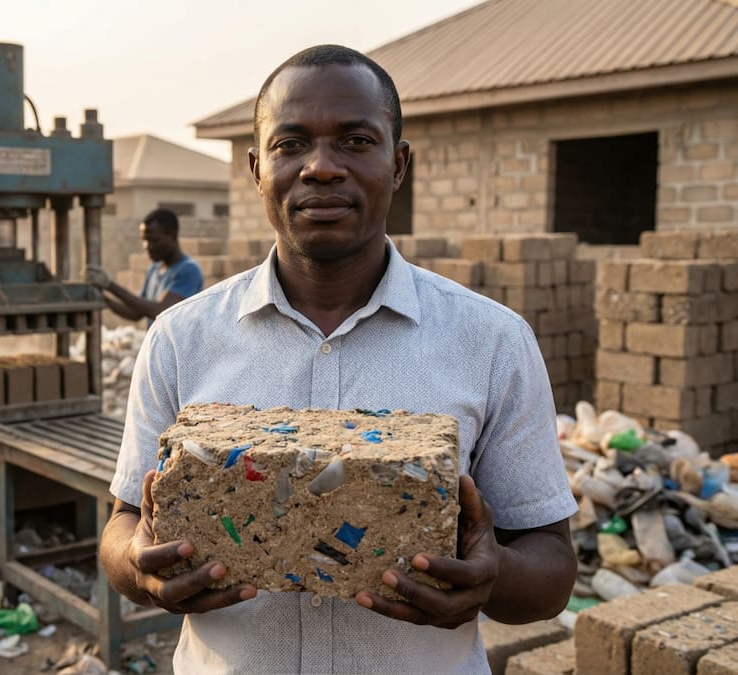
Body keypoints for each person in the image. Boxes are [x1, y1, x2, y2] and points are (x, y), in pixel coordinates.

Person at [99, 45, 577, 673]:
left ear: (399, 164)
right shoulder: (180, 337)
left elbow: (551, 564)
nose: (321, 168)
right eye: (290, 144)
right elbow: (125, 520)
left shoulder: (490, 340)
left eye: (355, 141)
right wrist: (137, 567)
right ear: (256, 167)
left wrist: (496, 577)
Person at [85, 208, 204, 323]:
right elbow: (136, 313)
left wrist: (109, 285)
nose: (147, 246)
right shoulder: (154, 269)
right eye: (144, 240)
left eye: (154, 240)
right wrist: (105, 300)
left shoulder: (189, 270)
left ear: (172, 235)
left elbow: (162, 312)